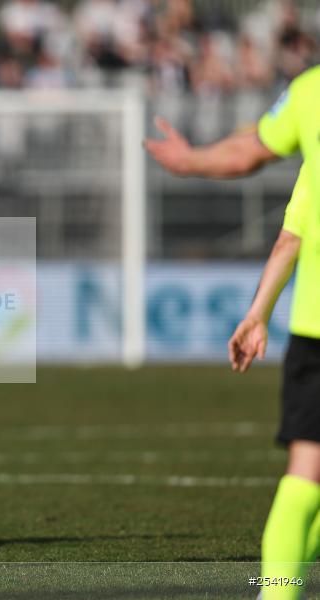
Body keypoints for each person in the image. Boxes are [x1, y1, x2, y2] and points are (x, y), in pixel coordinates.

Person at [145, 65, 320, 600]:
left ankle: (277, 594)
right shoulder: (309, 90)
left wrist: (258, 311)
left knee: (307, 469)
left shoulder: (312, 93)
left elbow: (290, 236)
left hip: (314, 323)